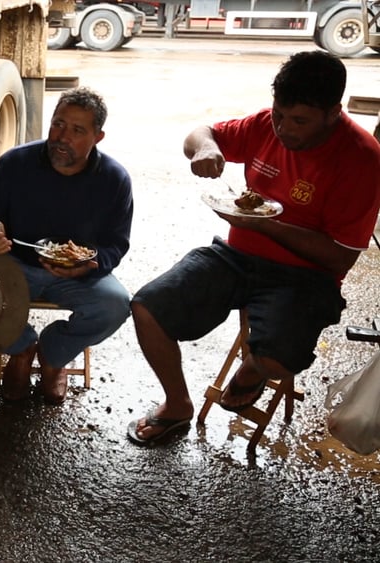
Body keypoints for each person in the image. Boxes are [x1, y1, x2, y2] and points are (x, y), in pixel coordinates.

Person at [127, 51, 380, 445]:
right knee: (147, 307)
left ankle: (252, 369)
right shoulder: (265, 124)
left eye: (299, 121)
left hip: (306, 276)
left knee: (278, 360)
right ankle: (177, 404)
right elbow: (201, 132)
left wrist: (270, 226)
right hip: (236, 257)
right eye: (280, 114)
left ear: (334, 113)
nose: (283, 129)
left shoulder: (362, 159)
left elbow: (341, 255)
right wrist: (206, 148)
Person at [0, 86, 133, 405]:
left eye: (77, 130)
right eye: (58, 124)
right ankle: (22, 347)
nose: (62, 136)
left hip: (79, 276)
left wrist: (91, 262)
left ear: (98, 137)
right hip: (15, 266)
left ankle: (55, 355)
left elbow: (116, 244)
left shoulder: (114, 180)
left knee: (115, 305)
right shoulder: (16, 163)